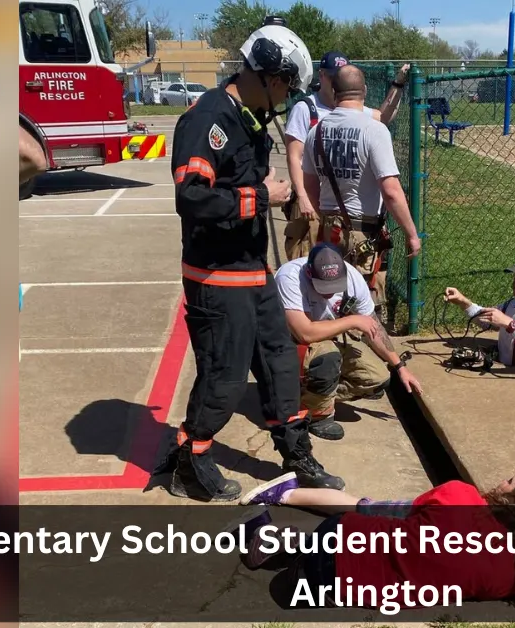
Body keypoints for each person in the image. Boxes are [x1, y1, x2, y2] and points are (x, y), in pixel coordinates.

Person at [152, 18, 344, 503]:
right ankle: (188, 461)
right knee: (224, 374)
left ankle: (296, 453)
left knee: (280, 364)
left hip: (251, 270)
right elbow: (191, 197)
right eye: (284, 86)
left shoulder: (251, 120)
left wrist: (263, 193)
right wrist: (259, 196)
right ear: (265, 75)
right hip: (215, 274)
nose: (284, 97)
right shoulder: (208, 118)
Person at [235, 468, 515, 614]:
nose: (503, 479)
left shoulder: (460, 496)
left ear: (511, 498)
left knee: (364, 523)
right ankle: (285, 556)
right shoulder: (513, 578)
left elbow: (390, 516)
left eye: (510, 479)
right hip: (342, 592)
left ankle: (266, 541)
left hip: (335, 545)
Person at [303, 64, 421, 319]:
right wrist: (412, 233)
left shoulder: (317, 131)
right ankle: (368, 352)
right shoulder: (374, 130)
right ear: (365, 91)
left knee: (332, 297)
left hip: (328, 227)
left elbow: (310, 185)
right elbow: (390, 190)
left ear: (334, 92)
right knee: (365, 302)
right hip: (363, 232)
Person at [275, 243, 423, 440]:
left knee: (377, 378)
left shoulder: (352, 277)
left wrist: (399, 366)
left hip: (328, 333)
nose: (329, 292)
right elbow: (305, 333)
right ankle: (319, 415)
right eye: (323, 287)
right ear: (309, 273)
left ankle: (305, 397)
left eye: (334, 286)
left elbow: (375, 329)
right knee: (328, 356)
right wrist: (353, 320)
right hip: (289, 342)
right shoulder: (289, 277)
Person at [281, 53, 410, 262]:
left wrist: (396, 86)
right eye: (333, 77)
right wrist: (303, 198)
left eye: (340, 77)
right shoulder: (306, 109)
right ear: (322, 76)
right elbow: (294, 157)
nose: (337, 83)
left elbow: (383, 117)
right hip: (314, 200)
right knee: (310, 262)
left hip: (349, 215)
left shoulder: (357, 111)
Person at [444, 255, 515, 368]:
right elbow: (486, 320)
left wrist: (510, 323)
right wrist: (463, 302)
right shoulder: (511, 304)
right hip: (506, 372)